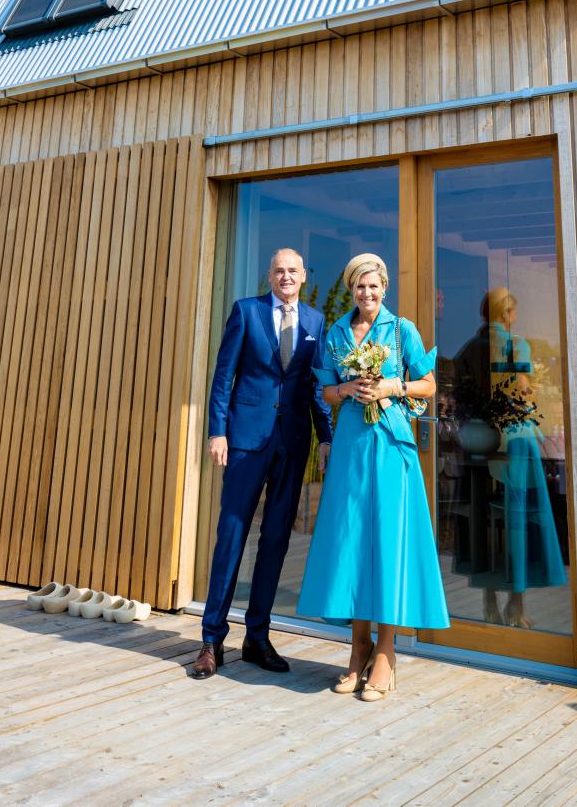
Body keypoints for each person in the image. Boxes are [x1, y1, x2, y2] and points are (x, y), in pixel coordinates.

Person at [297, 253, 449, 700]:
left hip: (392, 447)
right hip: (350, 448)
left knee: (388, 542)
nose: (367, 294)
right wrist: (346, 389)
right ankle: (357, 645)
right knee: (352, 540)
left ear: (384, 288)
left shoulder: (402, 330)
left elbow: (428, 384)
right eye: (359, 287)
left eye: (374, 286)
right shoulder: (338, 332)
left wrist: (390, 386)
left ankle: (386, 651)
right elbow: (325, 391)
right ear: (351, 290)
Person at [191, 248, 332, 680]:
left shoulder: (314, 321)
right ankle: (211, 639)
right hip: (246, 442)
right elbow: (223, 375)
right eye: (279, 270)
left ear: (303, 276)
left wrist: (325, 436)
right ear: (269, 276)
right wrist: (218, 431)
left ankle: (257, 637)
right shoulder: (246, 311)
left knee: (274, 541)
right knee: (231, 535)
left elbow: (316, 383)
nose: (286, 276)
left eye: (293, 270)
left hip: (291, 443)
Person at [487, 287, 567, 629]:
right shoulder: (515, 344)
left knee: (488, 523)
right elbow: (519, 388)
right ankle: (516, 605)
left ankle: (489, 600)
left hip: (485, 442)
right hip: (515, 440)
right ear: (508, 313)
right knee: (521, 522)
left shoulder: (473, 346)